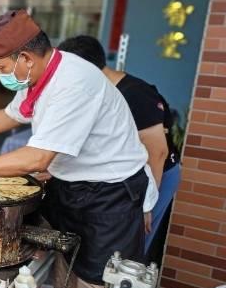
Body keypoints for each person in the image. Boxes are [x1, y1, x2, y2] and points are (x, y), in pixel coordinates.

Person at [0, 10, 155, 288]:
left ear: (25, 58)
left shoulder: (74, 82)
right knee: (67, 273)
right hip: (74, 186)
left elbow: (38, 158)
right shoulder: (42, 75)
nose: (0, 74)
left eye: (1, 66)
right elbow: (13, 114)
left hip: (109, 197)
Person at [57, 35, 181, 255]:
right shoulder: (96, 91)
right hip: (125, 176)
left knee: (134, 238)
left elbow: (157, 152)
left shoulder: (136, 94)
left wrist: (145, 204)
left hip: (156, 172)